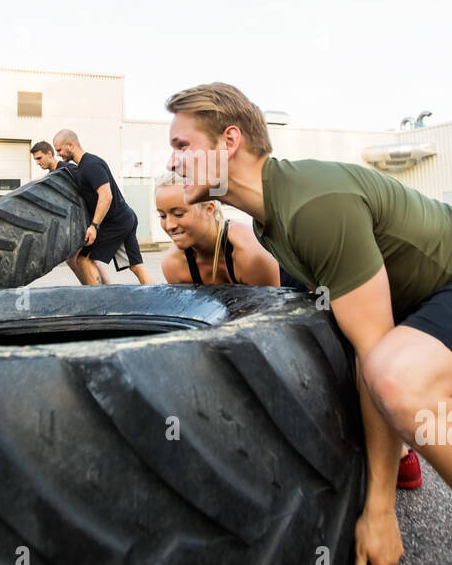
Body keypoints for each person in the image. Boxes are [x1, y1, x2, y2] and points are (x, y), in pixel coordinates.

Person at [164, 82, 452, 565]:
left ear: (229, 141)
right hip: (430, 309)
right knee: (336, 341)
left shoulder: (312, 204)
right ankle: (404, 455)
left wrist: (379, 509)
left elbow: (376, 354)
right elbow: (354, 335)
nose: (171, 164)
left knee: (394, 377)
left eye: (181, 147)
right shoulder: (271, 222)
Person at [154, 171, 425, 490]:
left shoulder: (248, 252)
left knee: (345, 348)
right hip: (238, 311)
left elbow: (275, 330)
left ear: (210, 209)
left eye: (178, 212)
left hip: (297, 294)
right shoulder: (174, 266)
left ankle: (399, 450)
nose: (169, 224)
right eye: (161, 215)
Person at [53, 130, 152, 285]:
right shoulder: (83, 167)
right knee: (135, 266)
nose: (57, 154)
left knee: (84, 259)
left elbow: (106, 196)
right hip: (124, 217)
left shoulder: (91, 164)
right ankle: (152, 298)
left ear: (70, 145)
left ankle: (99, 302)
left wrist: (94, 226)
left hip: (116, 221)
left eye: (59, 149)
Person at [30, 141, 104, 285]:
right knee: (73, 260)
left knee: (85, 260)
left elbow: (88, 191)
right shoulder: (51, 176)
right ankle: (90, 287)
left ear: (49, 154)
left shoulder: (68, 169)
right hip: (71, 224)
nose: (38, 163)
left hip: (86, 221)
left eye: (39, 158)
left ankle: (102, 289)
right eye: (35, 160)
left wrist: (93, 223)